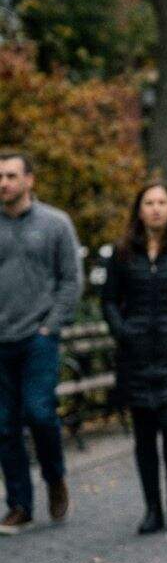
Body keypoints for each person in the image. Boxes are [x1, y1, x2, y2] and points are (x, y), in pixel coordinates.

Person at [100, 183, 167, 534]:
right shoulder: (122, 254)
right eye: (149, 203)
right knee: (144, 433)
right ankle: (152, 508)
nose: (156, 209)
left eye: (162, 202)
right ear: (139, 209)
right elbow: (109, 300)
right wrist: (122, 330)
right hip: (135, 356)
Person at [0, 150, 80, 535]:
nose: (4, 183)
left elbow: (71, 280)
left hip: (38, 337)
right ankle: (19, 503)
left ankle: (55, 477)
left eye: (12, 176)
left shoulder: (55, 224)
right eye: (0, 177)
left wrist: (50, 326)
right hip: (1, 340)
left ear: (29, 180)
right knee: (3, 425)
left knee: (39, 412)